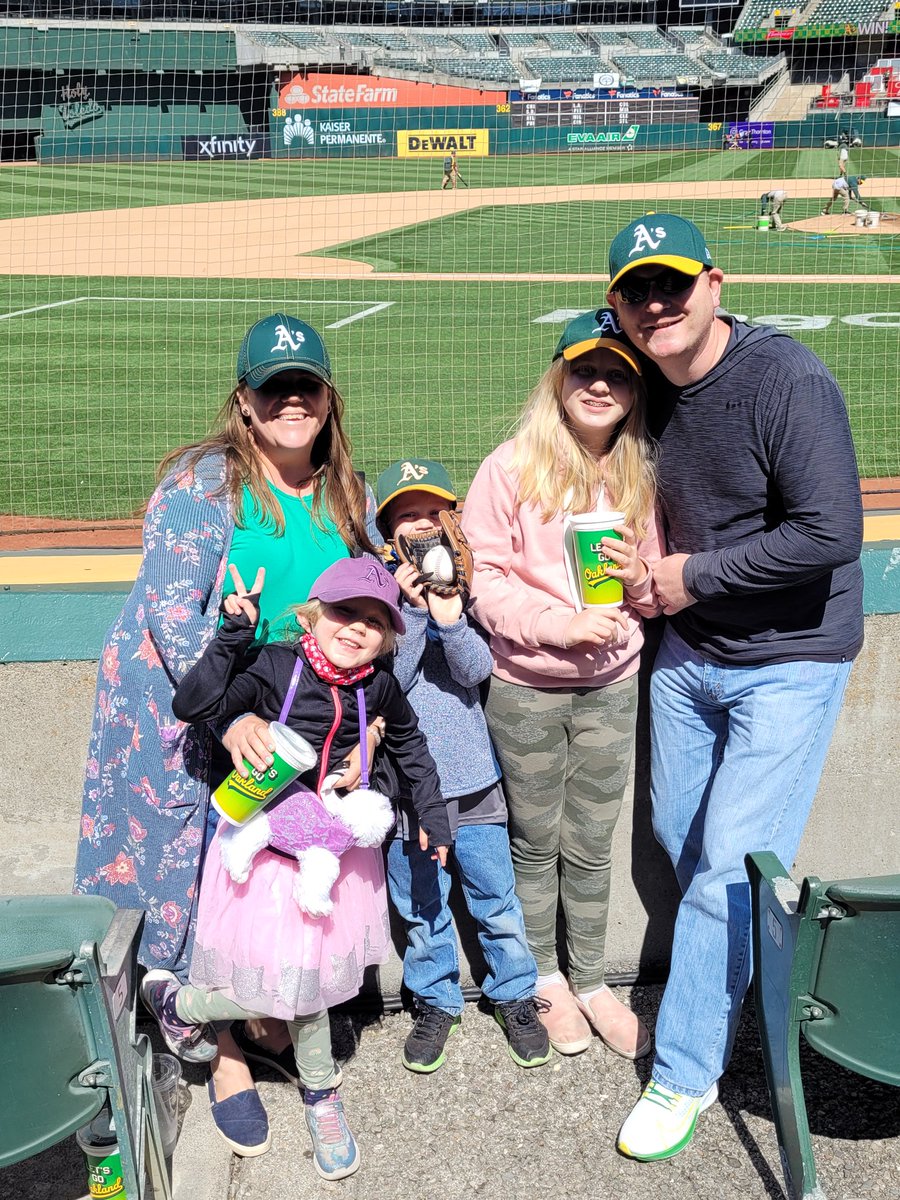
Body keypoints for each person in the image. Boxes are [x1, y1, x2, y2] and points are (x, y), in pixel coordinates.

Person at [74, 312, 381, 1149]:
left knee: (265, 870)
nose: (290, 399)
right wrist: (232, 712)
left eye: (304, 385)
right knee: (195, 871)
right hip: (187, 704)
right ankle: (216, 1049)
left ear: (327, 398)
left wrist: (372, 718)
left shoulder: (351, 493)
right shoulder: (205, 486)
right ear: (243, 403)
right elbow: (175, 619)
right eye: (271, 387)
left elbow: (375, 605)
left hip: (293, 713)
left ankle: (256, 1017)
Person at [605, 213, 863, 1160]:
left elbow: (833, 533)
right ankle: (746, 984)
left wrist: (688, 577)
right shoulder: (644, 388)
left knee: (723, 871)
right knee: (686, 841)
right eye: (637, 290)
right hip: (691, 654)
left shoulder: (784, 377)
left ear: (716, 282)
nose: (657, 303)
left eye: (673, 282)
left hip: (789, 659)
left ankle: (683, 1073)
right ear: (618, 307)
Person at [149, 556, 451, 1177]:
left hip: (332, 855)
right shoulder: (274, 664)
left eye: (374, 620)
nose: (356, 628)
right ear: (313, 613)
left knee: (309, 986)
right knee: (258, 984)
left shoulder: (380, 687)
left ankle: (319, 1092)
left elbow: (413, 748)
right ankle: (187, 1006)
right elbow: (193, 704)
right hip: (261, 854)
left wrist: (432, 814)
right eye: (344, 612)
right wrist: (233, 638)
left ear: (389, 635)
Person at [462, 309, 662, 1061]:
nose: (600, 385)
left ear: (634, 391)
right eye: (585, 370)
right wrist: (558, 626)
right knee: (534, 840)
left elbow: (650, 583)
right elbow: (484, 582)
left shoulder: (642, 468)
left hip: (613, 683)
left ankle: (591, 978)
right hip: (527, 686)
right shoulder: (510, 466)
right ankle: (543, 975)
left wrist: (641, 583)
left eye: (617, 373)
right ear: (559, 379)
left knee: (591, 840)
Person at [375, 458, 551, 1073]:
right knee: (423, 905)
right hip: (406, 790)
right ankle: (435, 1000)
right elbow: (386, 684)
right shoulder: (382, 613)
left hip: (474, 783)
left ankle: (515, 994)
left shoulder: (463, 598)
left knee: (494, 897)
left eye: (431, 516)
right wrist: (411, 611)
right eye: (405, 520)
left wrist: (448, 615)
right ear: (386, 538)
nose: (421, 530)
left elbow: (476, 673)